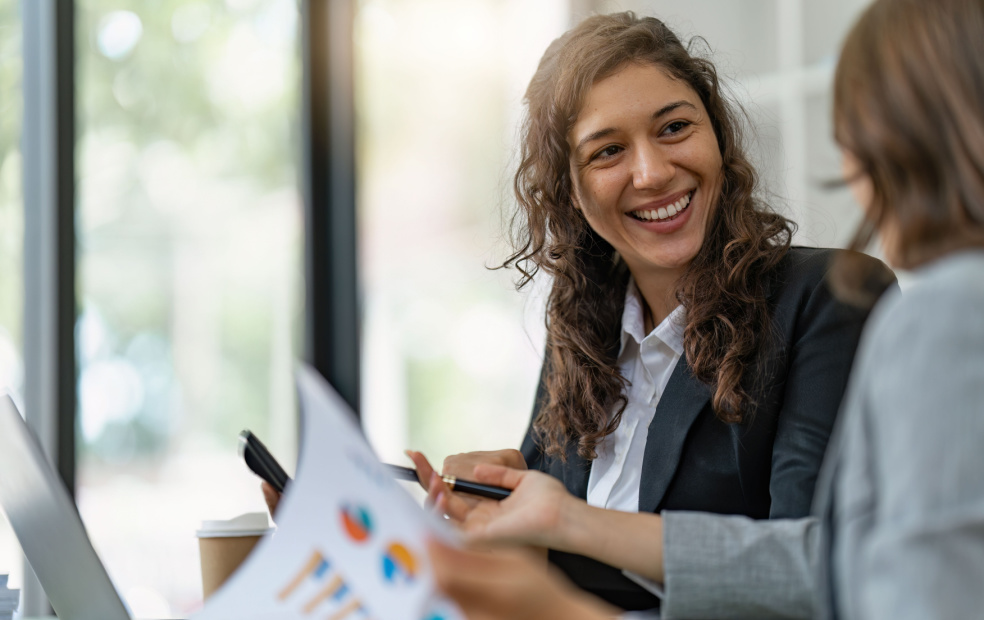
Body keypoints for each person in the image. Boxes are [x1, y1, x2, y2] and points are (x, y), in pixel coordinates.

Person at [428, 0, 984, 618]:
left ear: (718, 137)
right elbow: (549, 567)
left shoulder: (829, 297)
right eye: (607, 151)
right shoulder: (582, 330)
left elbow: (821, 574)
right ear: (570, 192)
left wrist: (566, 535)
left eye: (674, 128)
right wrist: (504, 519)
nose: (652, 172)